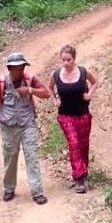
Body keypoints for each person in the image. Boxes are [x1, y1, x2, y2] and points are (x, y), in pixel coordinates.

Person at [0, 52, 52, 205]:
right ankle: (9, 188)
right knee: (10, 158)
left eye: (22, 66)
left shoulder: (30, 79)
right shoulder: (0, 82)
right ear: (10, 68)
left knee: (32, 157)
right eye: (17, 67)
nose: (20, 70)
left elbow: (46, 93)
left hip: (27, 124)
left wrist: (29, 90)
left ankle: (37, 192)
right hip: (8, 126)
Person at [47, 44, 99, 194]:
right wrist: (55, 98)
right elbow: (49, 87)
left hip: (82, 114)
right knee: (74, 143)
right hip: (65, 115)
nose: (65, 63)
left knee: (83, 145)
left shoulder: (82, 72)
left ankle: (83, 170)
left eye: (68, 60)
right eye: (63, 60)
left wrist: (90, 95)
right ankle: (78, 178)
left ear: (74, 59)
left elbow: (95, 82)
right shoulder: (56, 74)